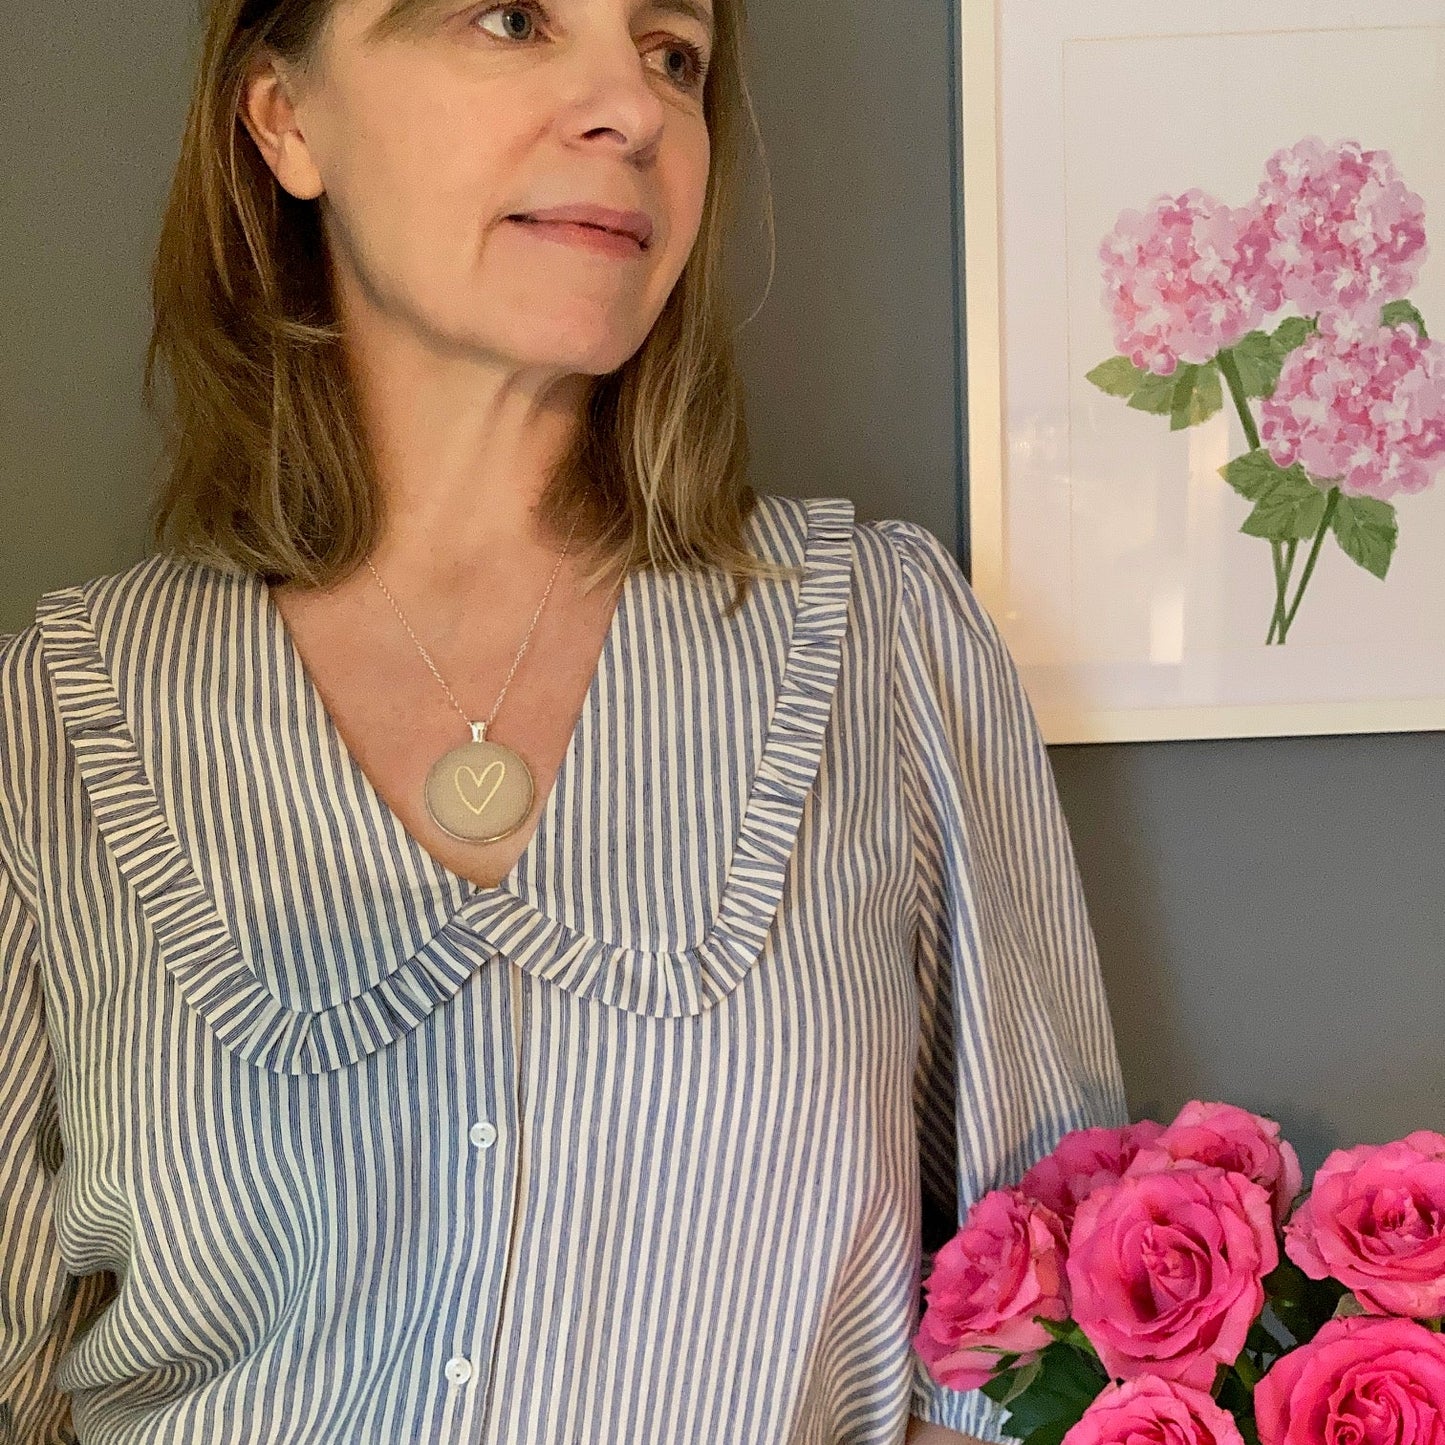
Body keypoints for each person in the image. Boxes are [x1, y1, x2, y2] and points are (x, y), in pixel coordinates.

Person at [0, 0, 1129, 1440]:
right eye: (510, 20)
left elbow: (1053, 1364)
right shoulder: (54, 721)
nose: (631, 109)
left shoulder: (882, 644)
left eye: (671, 55)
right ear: (285, 118)